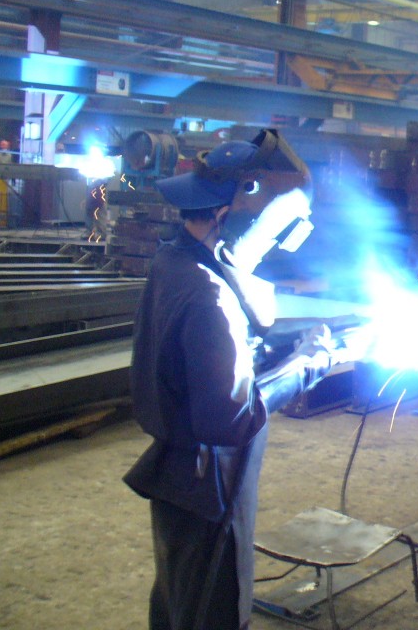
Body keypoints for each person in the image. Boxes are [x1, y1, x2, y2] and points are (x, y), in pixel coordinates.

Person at [124, 132, 335, 630]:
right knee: (214, 609)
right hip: (210, 484)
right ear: (230, 215)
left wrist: (265, 352)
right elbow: (230, 418)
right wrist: (308, 364)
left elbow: (198, 360)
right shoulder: (209, 296)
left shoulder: (173, 263)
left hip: (177, 476)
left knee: (179, 603)